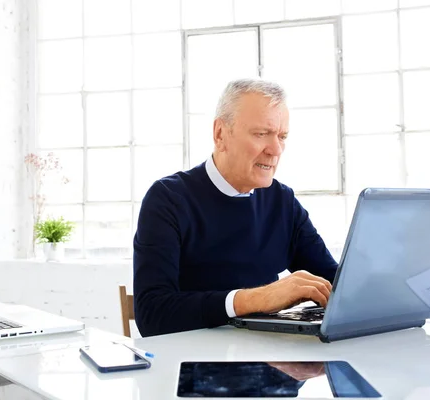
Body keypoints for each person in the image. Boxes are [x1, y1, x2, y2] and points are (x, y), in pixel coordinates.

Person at [133, 79, 338, 337]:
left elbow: (336, 284)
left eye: (282, 136)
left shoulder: (282, 200)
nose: (275, 150)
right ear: (220, 134)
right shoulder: (168, 199)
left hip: (269, 361)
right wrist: (258, 299)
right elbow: (152, 315)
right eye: (261, 134)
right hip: (194, 365)